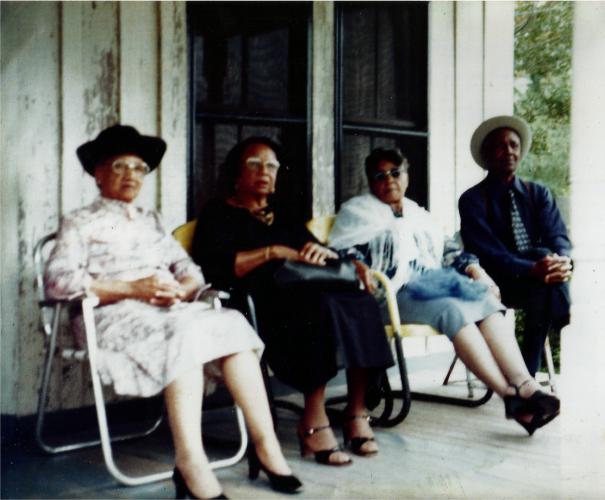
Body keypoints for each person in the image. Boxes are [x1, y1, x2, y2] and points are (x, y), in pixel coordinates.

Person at [44, 125, 302, 499]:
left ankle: (267, 447)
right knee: (185, 335)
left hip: (166, 312)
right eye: (120, 166)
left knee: (231, 323)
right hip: (110, 314)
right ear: (98, 173)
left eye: (139, 168)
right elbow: (58, 281)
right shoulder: (80, 222)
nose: (132, 175)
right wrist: (134, 288)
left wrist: (179, 290)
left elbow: (189, 272)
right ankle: (191, 463)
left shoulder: (150, 221)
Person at [328, 147, 560, 435]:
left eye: (395, 172)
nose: (389, 179)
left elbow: (449, 250)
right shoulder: (357, 211)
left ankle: (526, 385)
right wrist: (358, 266)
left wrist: (478, 272)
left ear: (407, 175)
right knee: (452, 310)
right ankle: (508, 396)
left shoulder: (417, 213)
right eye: (380, 175)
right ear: (370, 181)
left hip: (433, 286)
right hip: (387, 294)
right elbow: (341, 251)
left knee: (483, 300)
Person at [193, 137, 394, 465]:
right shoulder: (218, 213)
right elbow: (215, 267)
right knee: (316, 307)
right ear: (235, 173)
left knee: (361, 301)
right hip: (254, 302)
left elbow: (316, 251)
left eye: (271, 165)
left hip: (299, 294)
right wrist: (272, 252)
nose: (264, 172)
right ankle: (313, 422)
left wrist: (329, 254)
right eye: (254, 164)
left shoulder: (283, 214)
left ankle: (356, 411)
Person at [459, 115, 572, 376]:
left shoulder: (538, 194)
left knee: (544, 273)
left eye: (513, 145)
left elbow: (559, 238)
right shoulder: (473, 199)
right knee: (542, 262)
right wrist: (535, 267)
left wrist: (563, 262)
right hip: (495, 281)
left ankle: (526, 373)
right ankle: (564, 318)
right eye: (500, 146)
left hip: (538, 281)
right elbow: (489, 253)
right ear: (486, 155)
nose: (508, 151)